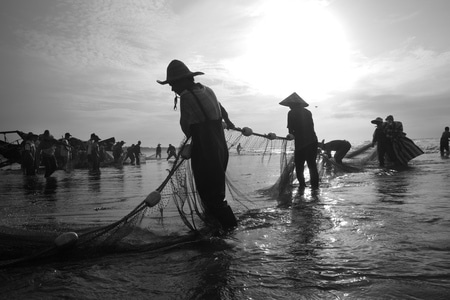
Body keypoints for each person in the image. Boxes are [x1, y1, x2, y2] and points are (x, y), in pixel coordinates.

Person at [157, 59, 237, 230]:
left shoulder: (186, 96)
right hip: (220, 147)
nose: (172, 88)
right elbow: (222, 109)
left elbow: (186, 126)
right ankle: (218, 229)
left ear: (182, 81)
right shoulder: (208, 90)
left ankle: (231, 230)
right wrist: (228, 122)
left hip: (205, 150)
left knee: (211, 196)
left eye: (172, 84)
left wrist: (190, 142)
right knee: (216, 192)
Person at [280, 92, 319, 191]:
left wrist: (290, 135)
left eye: (290, 105)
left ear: (293, 104)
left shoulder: (291, 113)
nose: (289, 107)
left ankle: (302, 185)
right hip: (313, 141)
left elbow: (291, 131)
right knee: (312, 165)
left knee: (299, 165)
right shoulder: (308, 112)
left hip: (301, 143)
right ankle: (315, 187)